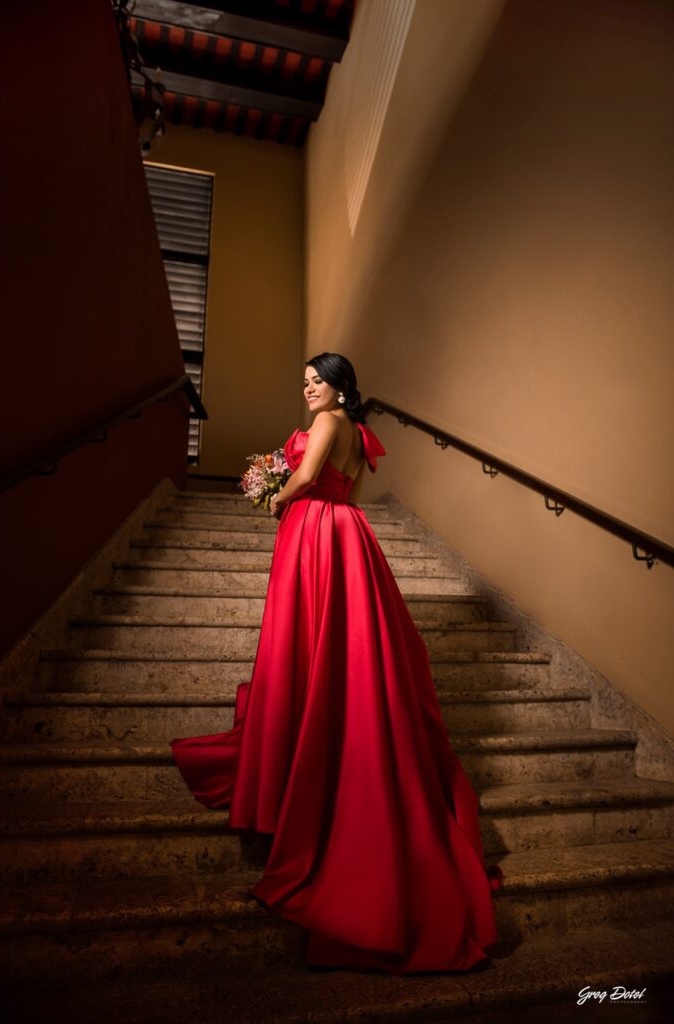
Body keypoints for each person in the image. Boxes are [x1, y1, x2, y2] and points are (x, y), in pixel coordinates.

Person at [170, 352, 502, 975]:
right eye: (304, 382)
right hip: (346, 530)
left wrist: (276, 495)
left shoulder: (328, 426)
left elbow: (306, 478)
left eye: (317, 381)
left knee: (312, 642)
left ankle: (306, 754)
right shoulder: (358, 435)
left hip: (316, 531)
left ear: (341, 386)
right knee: (342, 643)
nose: (308, 390)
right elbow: (349, 484)